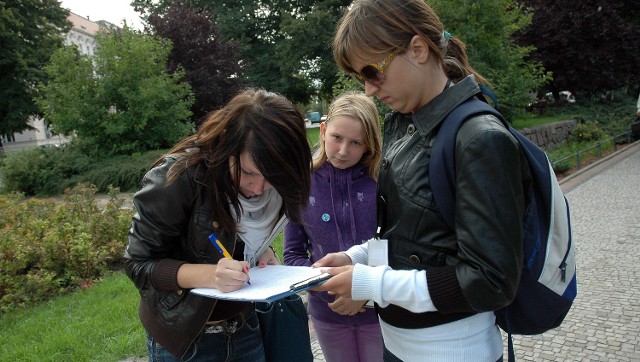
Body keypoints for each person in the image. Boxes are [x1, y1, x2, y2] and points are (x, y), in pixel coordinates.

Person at [313, 1, 532, 361]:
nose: (368, 90)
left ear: (417, 49)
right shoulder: (404, 125)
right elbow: (407, 235)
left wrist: (369, 283)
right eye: (360, 78)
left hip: (453, 351)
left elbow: (491, 281)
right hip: (397, 345)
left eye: (373, 71)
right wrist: (357, 257)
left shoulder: (479, 137)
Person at [123, 88, 312, 362]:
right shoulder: (179, 178)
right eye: (248, 173)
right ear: (227, 146)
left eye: (271, 177)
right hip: (187, 342)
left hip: (245, 327)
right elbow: (138, 264)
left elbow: (235, 234)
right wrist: (211, 275)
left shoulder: (274, 186)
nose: (258, 188)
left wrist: (260, 250)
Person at [283, 93, 384, 362]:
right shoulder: (302, 184)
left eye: (355, 143)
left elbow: (393, 246)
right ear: (324, 130)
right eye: (337, 138)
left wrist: (363, 292)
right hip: (327, 315)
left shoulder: (383, 184)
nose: (342, 151)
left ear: (369, 145)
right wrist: (333, 285)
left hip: (381, 314)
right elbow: (292, 256)